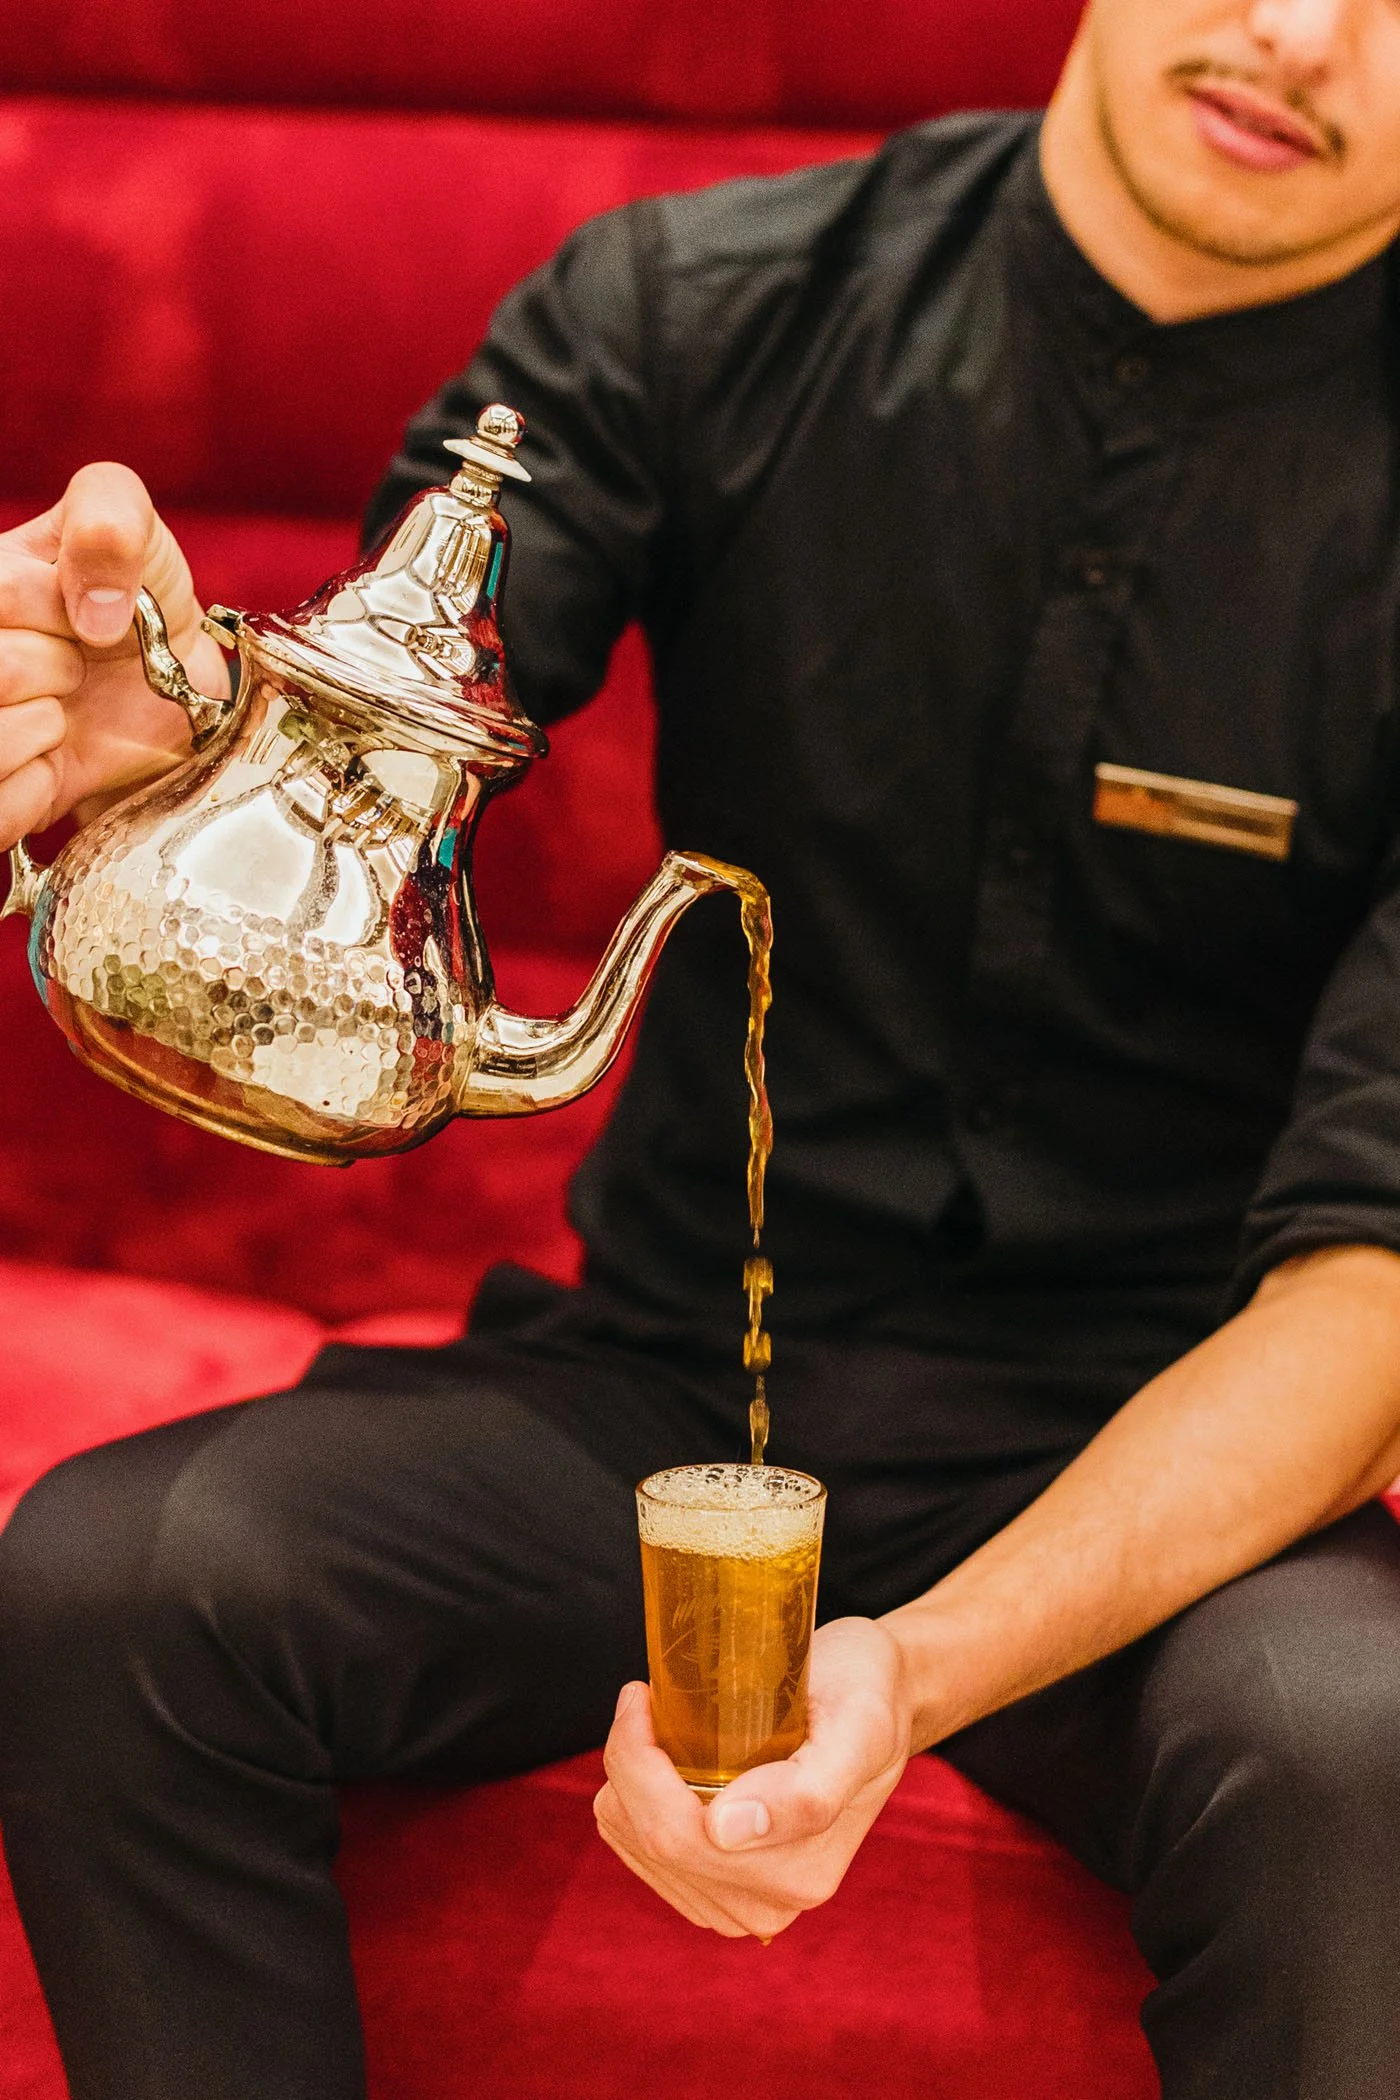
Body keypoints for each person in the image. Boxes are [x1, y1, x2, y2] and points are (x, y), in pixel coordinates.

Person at [4, 0, 1400, 2092]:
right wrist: (185, 758)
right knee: (119, 1581)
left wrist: (908, 1675)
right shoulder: (693, 304)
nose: (1298, 38)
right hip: (670, 1382)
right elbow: (403, 712)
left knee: (1349, 1750)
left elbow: (1373, 1285)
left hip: (1187, 1460)